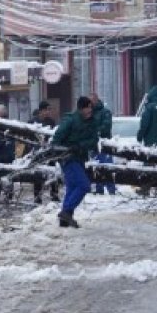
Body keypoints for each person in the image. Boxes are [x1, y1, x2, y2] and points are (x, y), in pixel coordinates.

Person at [52, 96, 100, 227]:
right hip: (68, 158)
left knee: (72, 187)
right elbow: (56, 138)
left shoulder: (92, 122)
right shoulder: (70, 120)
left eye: (91, 107)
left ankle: (65, 219)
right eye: (87, 107)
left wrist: (80, 145)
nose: (90, 110)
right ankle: (66, 212)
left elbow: (93, 140)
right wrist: (59, 153)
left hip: (80, 157)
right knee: (84, 185)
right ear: (80, 109)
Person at [31, 101, 61, 204]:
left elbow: (53, 135)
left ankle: (54, 194)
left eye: (49, 110)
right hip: (38, 152)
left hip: (49, 151)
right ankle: (37, 196)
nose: (48, 112)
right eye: (46, 110)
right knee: (38, 174)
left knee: (52, 172)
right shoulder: (33, 122)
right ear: (41, 111)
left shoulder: (51, 122)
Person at [91, 92, 117, 195]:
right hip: (93, 145)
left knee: (107, 167)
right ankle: (99, 190)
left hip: (104, 145)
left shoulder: (105, 112)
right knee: (95, 168)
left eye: (92, 100)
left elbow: (106, 126)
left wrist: (95, 132)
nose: (91, 103)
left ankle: (111, 190)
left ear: (97, 100)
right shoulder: (89, 113)